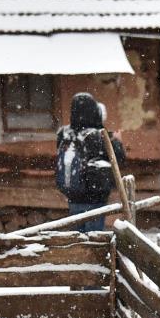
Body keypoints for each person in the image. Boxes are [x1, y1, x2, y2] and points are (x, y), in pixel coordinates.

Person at [55, 92, 125, 232]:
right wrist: (117, 142)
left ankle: (79, 252)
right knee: (94, 236)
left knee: (78, 235)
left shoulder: (64, 133)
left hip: (73, 194)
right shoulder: (98, 135)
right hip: (95, 195)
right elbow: (119, 160)